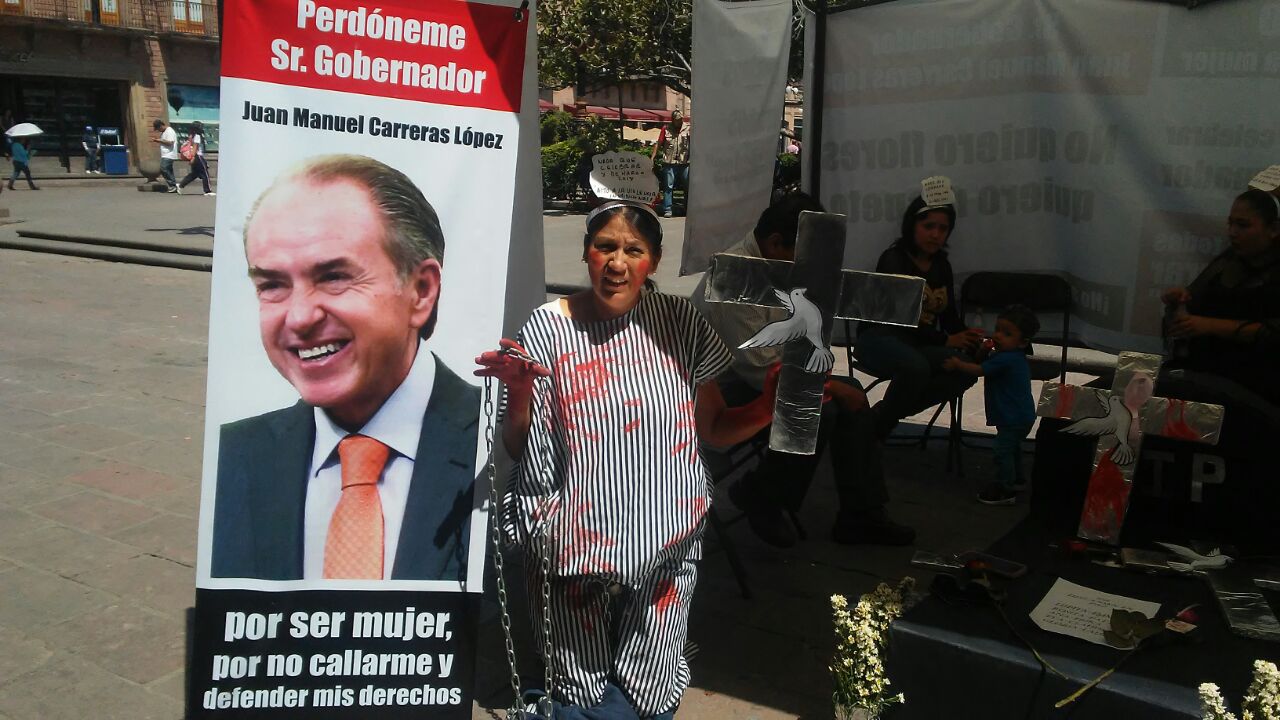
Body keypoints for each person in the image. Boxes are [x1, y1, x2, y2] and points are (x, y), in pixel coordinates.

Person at [476, 200, 777, 718]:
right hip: (571, 543)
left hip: (666, 535)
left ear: (653, 262)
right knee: (576, 687)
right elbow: (517, 446)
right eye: (605, 246)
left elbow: (716, 429)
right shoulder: (549, 327)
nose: (617, 262)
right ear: (587, 254)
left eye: (633, 250)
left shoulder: (680, 323)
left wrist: (770, 407)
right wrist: (521, 394)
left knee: (650, 688)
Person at [211, 154, 477, 582]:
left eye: (334, 276)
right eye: (272, 285)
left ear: (420, 291)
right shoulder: (232, 458)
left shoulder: (503, 443)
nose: (298, 318)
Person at [690, 192, 915, 547]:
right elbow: (760, 368)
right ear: (776, 242)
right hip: (718, 391)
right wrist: (829, 387)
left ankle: (861, 513)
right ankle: (764, 496)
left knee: (850, 393)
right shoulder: (734, 278)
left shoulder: (775, 263)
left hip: (762, 375)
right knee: (819, 410)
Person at [855, 193, 980, 438]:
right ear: (912, 226)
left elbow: (949, 317)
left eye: (943, 228)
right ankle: (877, 430)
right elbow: (901, 318)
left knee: (966, 369)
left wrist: (970, 338)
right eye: (928, 226)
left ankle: (878, 418)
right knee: (916, 368)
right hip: (880, 338)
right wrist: (945, 341)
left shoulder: (942, 265)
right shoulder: (894, 260)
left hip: (917, 344)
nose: (936, 234)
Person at [1160, 188, 1280, 406]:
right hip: (1207, 379)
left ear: (1273, 229)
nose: (1233, 232)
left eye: (1243, 225)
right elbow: (1190, 310)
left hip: (1259, 391)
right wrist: (1178, 305)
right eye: (1231, 224)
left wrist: (1209, 326)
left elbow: (1273, 333)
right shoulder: (1227, 263)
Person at [942, 305, 1039, 505]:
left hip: (1013, 417)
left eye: (1007, 333)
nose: (998, 336)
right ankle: (1017, 479)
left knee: (1002, 450)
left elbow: (978, 370)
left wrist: (957, 364)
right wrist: (984, 351)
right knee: (1012, 449)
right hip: (1019, 416)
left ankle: (1005, 487)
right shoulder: (1009, 356)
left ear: (1023, 342)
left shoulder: (1007, 359)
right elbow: (983, 363)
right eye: (997, 329)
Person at [650, 110, 690, 218]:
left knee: (687, 186)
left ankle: (687, 208)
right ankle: (668, 209)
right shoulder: (666, 129)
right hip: (669, 162)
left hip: (684, 162)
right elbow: (658, 143)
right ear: (673, 120)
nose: (680, 121)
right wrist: (652, 157)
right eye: (677, 120)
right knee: (668, 186)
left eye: (681, 119)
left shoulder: (688, 128)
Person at [177, 120, 214, 196]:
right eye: (200, 127)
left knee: (195, 174)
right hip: (198, 156)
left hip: (196, 156)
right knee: (205, 173)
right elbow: (195, 147)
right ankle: (208, 191)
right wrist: (193, 157)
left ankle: (181, 185)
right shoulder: (197, 136)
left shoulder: (191, 135)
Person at [152, 119, 179, 192]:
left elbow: (170, 143)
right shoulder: (164, 132)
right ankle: (174, 186)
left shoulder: (169, 131)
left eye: (158, 129)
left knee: (163, 168)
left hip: (169, 154)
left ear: (161, 126)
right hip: (166, 154)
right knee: (169, 170)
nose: (158, 130)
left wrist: (158, 140)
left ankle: (173, 184)